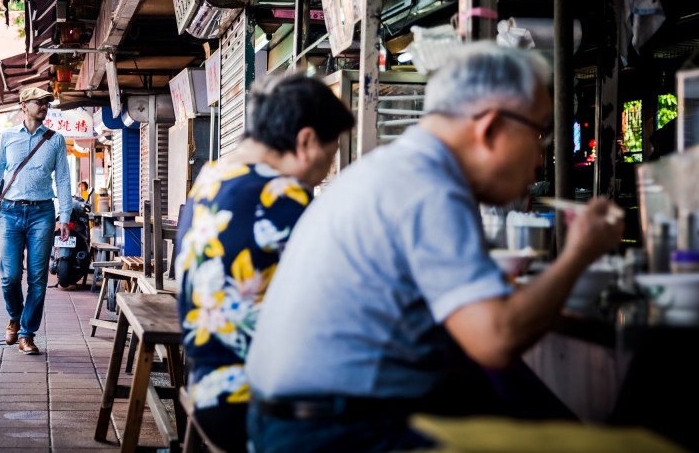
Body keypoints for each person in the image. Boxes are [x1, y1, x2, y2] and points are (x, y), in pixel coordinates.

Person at [245, 43, 625, 453]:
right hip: (337, 434)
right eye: (538, 134)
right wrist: (580, 252)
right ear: (491, 128)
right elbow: (496, 340)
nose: (539, 160)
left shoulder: (393, 169)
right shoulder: (429, 186)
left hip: (291, 423)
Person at [175, 73, 355, 453]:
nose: (326, 171)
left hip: (208, 390)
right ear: (306, 141)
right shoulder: (280, 193)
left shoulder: (212, 178)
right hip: (259, 402)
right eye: (331, 153)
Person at [0, 86, 73, 355]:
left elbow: (64, 180)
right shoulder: (7, 137)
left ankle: (27, 333)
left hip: (42, 214)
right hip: (9, 213)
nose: (44, 106)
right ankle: (15, 316)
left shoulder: (55, 140)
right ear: (24, 106)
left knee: (37, 278)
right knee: (9, 277)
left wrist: (64, 216)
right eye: (38, 102)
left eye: (47, 103)